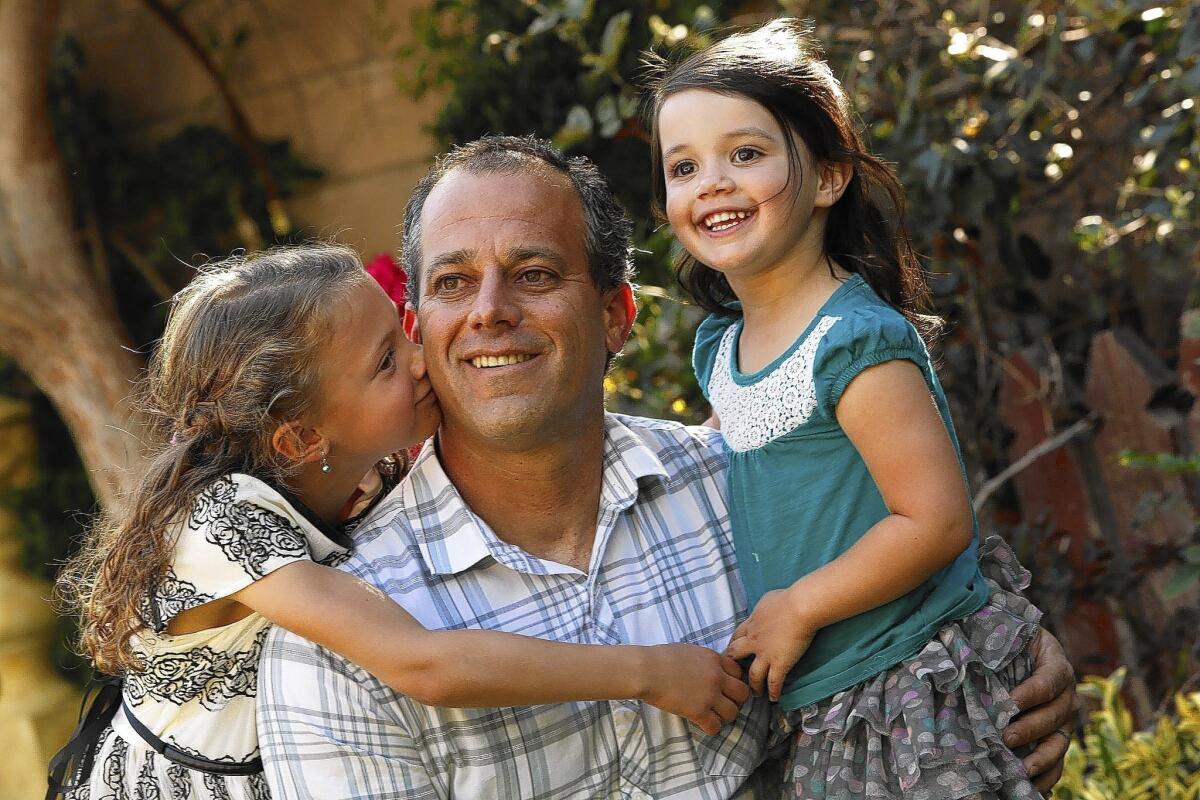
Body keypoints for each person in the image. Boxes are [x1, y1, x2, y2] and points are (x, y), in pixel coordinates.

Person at [256, 136, 1077, 799]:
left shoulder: (740, 495)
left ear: (617, 316)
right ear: (416, 329)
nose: (489, 310)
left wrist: (1016, 657)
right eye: (454, 282)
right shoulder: (342, 642)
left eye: (535, 274)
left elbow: (919, 570)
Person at [48, 245, 750, 799]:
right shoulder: (220, 522)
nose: (421, 360)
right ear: (300, 438)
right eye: (386, 362)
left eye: (400, 329)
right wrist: (646, 672)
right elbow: (424, 662)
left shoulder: (359, 474)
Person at [646, 17, 1059, 799]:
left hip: (908, 677)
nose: (712, 183)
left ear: (829, 178)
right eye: (683, 166)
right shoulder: (721, 346)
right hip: (825, 694)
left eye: (746, 154)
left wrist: (799, 604)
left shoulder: (854, 341)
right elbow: (753, 462)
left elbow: (934, 521)